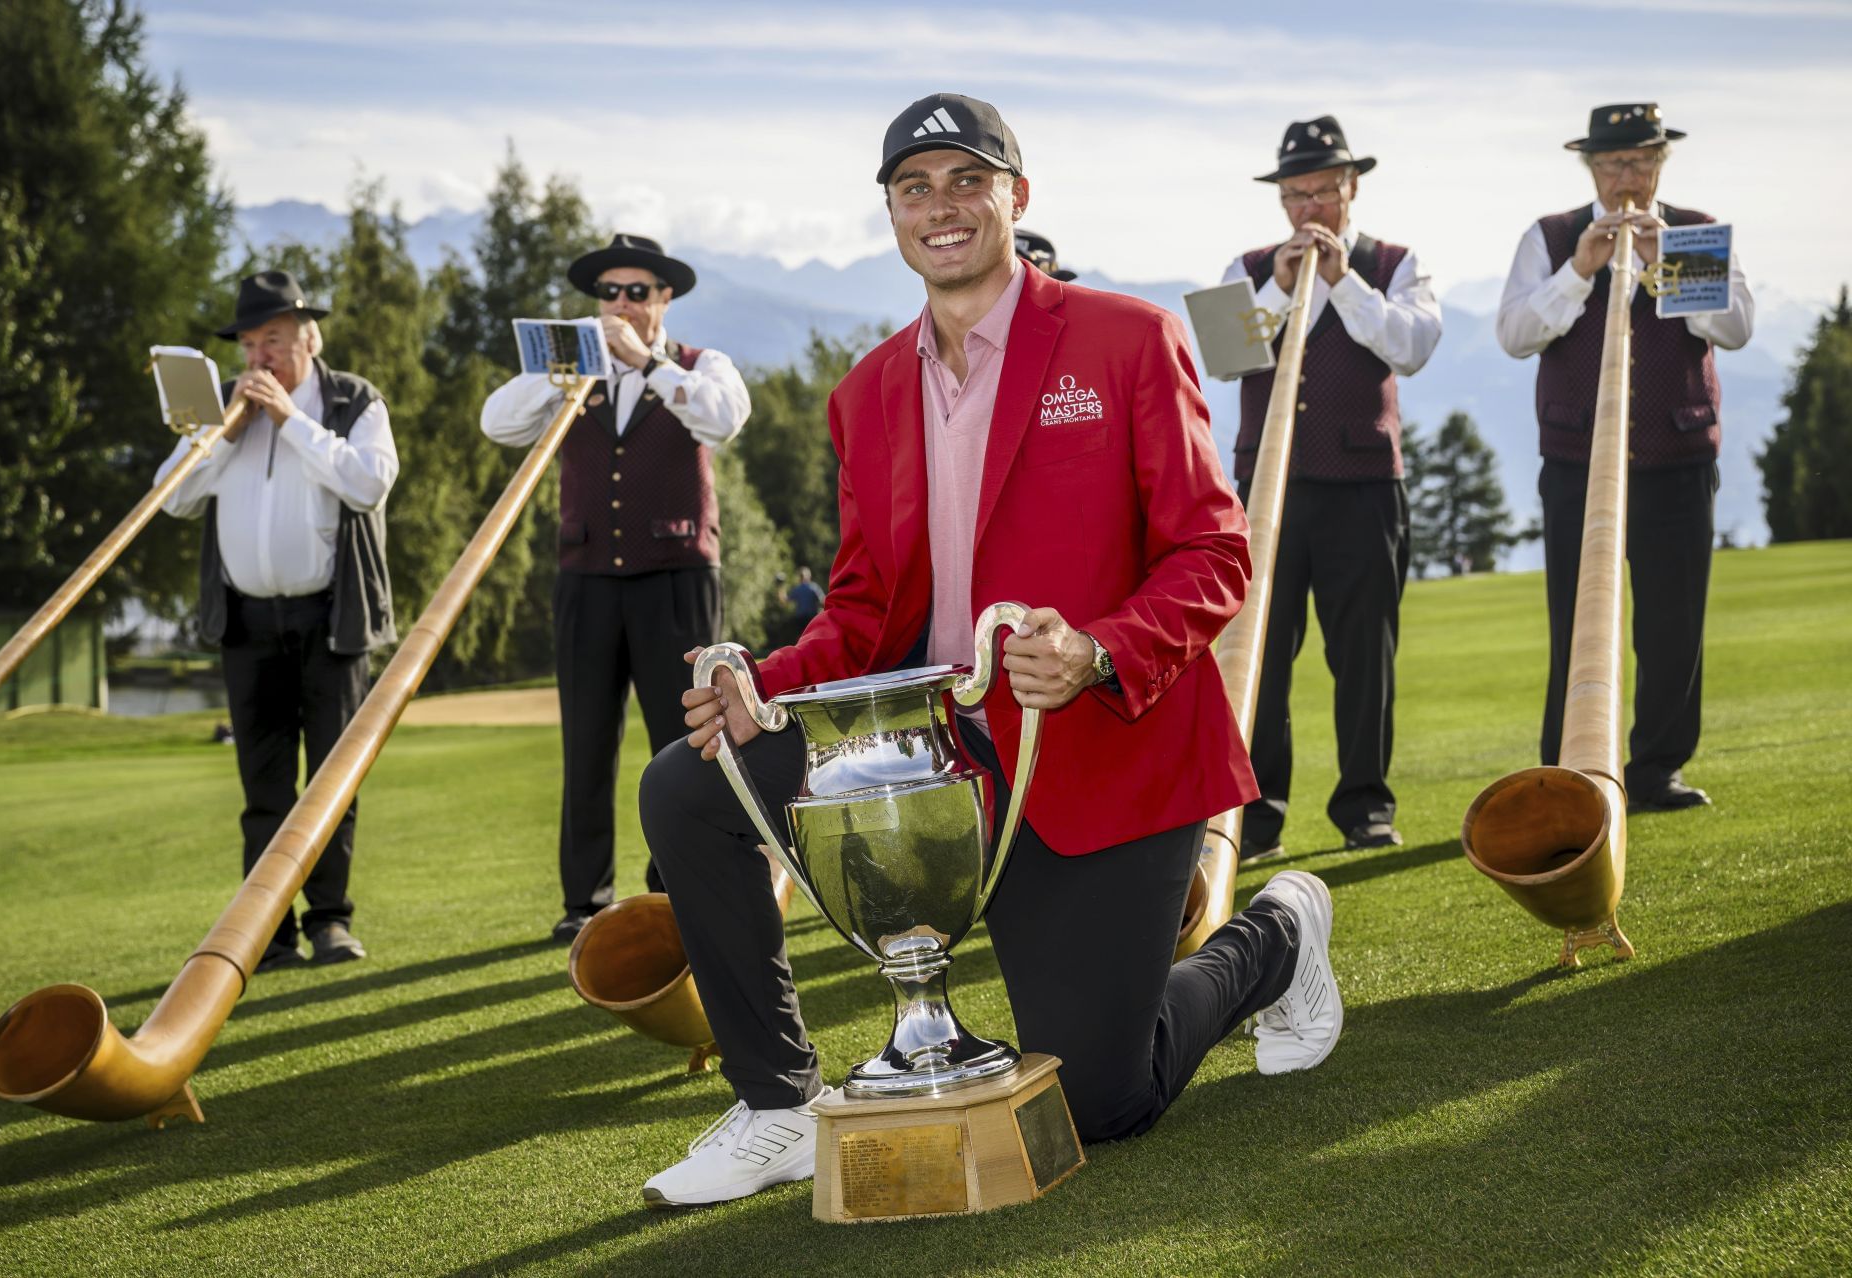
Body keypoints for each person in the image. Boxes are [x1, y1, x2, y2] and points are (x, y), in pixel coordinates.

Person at [632, 92, 1343, 1209]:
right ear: (892, 215)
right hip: (940, 753)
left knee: (1106, 1103)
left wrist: (1099, 651)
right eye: (914, 189)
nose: (942, 207)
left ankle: (1276, 938)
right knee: (688, 782)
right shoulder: (865, 391)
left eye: (968, 180)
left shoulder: (1127, 337)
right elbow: (865, 607)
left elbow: (1216, 553)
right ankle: (778, 1103)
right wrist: (758, 686)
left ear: (1018, 195)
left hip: (1100, 748)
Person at [481, 235, 752, 942]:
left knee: (685, 739)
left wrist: (650, 365)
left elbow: (722, 419)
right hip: (587, 578)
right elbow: (496, 422)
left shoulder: (699, 365)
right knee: (587, 741)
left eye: (637, 292)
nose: (621, 305)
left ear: (664, 299)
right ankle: (585, 902)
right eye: (609, 294)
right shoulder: (574, 376)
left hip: (677, 578)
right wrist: (561, 371)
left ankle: (678, 889)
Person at [1497, 103, 1752, 811]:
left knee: (1674, 621)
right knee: (1575, 620)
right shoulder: (1550, 237)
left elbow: (1734, 327)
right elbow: (1515, 335)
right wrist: (1579, 270)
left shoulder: (1693, 230)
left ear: (1662, 163)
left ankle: (1656, 769)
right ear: (1590, 168)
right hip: (1577, 457)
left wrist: (1663, 260)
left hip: (1677, 453)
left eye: (1642, 161)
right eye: (1613, 165)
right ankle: (1572, 768)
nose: (1627, 179)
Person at [156, 270, 399, 972]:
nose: (260, 358)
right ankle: (269, 932)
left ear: (309, 337)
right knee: (263, 787)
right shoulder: (223, 416)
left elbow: (368, 482)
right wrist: (224, 432)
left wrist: (292, 422)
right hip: (248, 622)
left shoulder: (353, 401)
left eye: (274, 340)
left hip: (332, 619)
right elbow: (172, 498)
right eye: (249, 345)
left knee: (331, 783)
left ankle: (330, 921)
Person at [1215, 116, 1442, 860]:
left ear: (1352, 189)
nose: (1310, 209)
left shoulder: (1395, 262)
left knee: (1364, 657)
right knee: (1260, 656)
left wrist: (1343, 282)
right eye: (1296, 194)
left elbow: (1410, 348)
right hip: (1265, 490)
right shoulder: (1244, 266)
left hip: (1364, 485)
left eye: (1324, 192)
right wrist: (1279, 292)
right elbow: (1220, 358)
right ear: (1281, 199)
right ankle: (1258, 818)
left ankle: (1365, 808)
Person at [783, 565, 824, 638]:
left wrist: (781, 589)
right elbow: (823, 601)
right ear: (809, 576)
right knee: (812, 637)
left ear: (800, 577)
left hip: (800, 618)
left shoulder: (797, 589)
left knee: (801, 638)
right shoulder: (814, 587)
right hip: (812, 618)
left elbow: (786, 600)